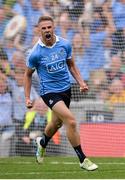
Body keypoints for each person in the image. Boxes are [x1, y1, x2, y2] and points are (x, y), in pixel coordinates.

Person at [24, 15, 98, 171]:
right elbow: (28, 75)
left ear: (53, 27)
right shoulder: (35, 53)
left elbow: (71, 66)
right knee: (70, 121)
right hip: (49, 92)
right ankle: (82, 159)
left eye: (49, 27)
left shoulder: (64, 44)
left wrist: (81, 82)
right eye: (43, 28)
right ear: (39, 30)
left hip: (66, 89)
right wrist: (27, 98)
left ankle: (42, 143)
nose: (46, 30)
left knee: (56, 123)